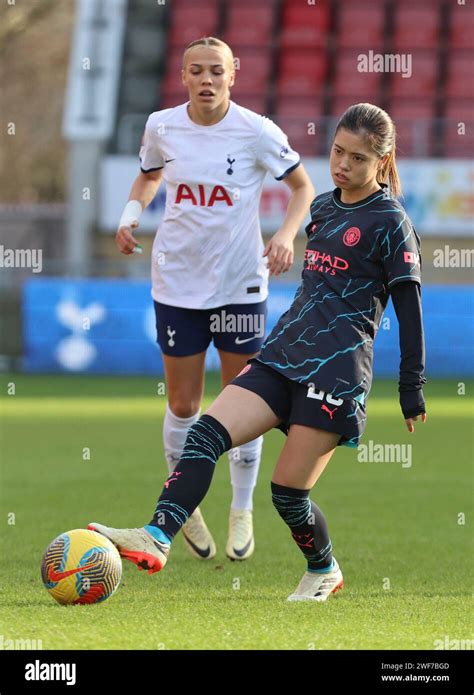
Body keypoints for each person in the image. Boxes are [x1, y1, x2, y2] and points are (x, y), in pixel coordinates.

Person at [90, 102, 427, 601]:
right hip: (282, 355)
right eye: (337, 152)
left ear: (382, 160)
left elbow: (410, 307)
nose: (342, 165)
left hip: (335, 374)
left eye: (357, 158)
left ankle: (323, 567)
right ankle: (157, 534)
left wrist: (411, 386)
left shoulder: (391, 220)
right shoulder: (325, 208)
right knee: (204, 432)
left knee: (288, 495)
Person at [115, 36, 315, 561]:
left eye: (216, 72)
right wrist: (130, 217)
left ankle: (241, 508)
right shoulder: (162, 125)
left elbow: (303, 188)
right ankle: (185, 506)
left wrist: (287, 234)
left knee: (240, 405)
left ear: (234, 74)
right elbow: (149, 172)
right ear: (182, 76)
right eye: (196, 71)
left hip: (239, 284)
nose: (206, 80)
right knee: (184, 404)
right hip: (177, 281)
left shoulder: (256, 131)